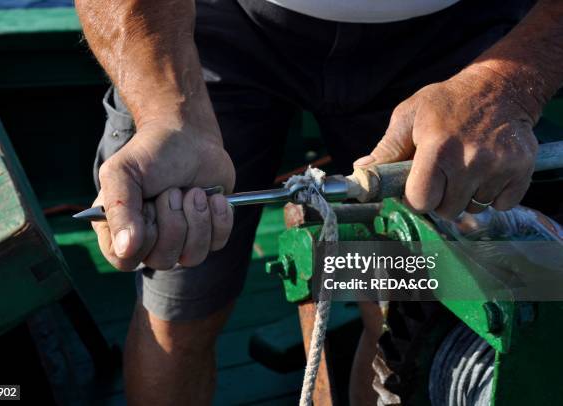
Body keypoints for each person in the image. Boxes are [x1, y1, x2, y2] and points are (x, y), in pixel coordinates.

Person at [74, 0, 563, 404]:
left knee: (402, 314)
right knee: (175, 310)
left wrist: (505, 86)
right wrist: (164, 109)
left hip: (450, 38)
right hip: (205, 22)